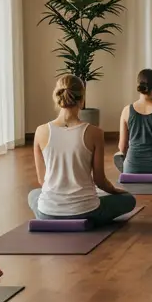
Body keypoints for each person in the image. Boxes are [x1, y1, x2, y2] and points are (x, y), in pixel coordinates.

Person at [29, 75, 137, 224]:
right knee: (128, 199)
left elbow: (42, 180)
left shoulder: (40, 131)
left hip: (48, 213)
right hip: (86, 211)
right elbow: (100, 181)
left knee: (33, 195)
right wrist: (116, 191)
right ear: (82, 99)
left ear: (57, 96)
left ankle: (55, 215)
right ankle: (88, 219)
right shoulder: (95, 133)